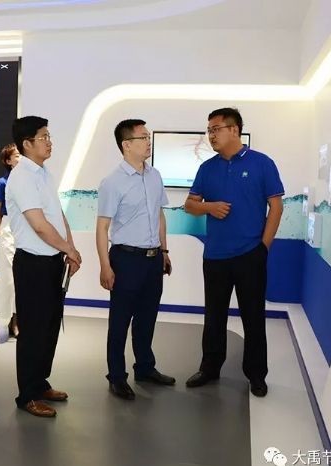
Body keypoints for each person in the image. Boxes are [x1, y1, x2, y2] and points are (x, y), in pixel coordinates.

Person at [184, 107, 284, 398]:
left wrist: (263, 248)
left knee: (253, 317)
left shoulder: (262, 163)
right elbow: (190, 205)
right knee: (214, 317)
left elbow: (276, 207)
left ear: (234, 130)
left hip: (250, 254)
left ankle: (256, 375)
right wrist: (209, 207)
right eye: (209, 130)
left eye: (216, 129)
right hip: (215, 257)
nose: (211, 135)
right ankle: (210, 368)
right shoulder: (207, 168)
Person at [6, 116, 81, 418]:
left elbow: (57, 216)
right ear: (27, 144)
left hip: (52, 261)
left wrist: (69, 248)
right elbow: (38, 225)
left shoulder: (44, 173)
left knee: (49, 327)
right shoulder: (22, 176)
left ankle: (40, 383)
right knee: (33, 331)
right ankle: (27, 395)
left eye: (49, 136)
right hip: (33, 264)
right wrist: (69, 249)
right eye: (43, 137)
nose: (49, 142)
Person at [96, 119, 175, 401]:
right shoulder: (112, 182)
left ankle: (145, 368)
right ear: (127, 145)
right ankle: (117, 376)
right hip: (126, 259)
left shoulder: (155, 176)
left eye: (148, 136)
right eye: (143, 137)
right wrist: (105, 266)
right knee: (120, 321)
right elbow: (102, 227)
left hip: (153, 259)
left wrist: (164, 251)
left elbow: (160, 215)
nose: (148, 141)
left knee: (147, 317)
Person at [0, 143, 21, 345]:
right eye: (16, 155)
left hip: (25, 230)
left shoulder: (28, 181)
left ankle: (15, 322)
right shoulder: (2, 183)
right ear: (8, 161)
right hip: (8, 230)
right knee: (6, 278)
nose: (20, 158)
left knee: (20, 278)